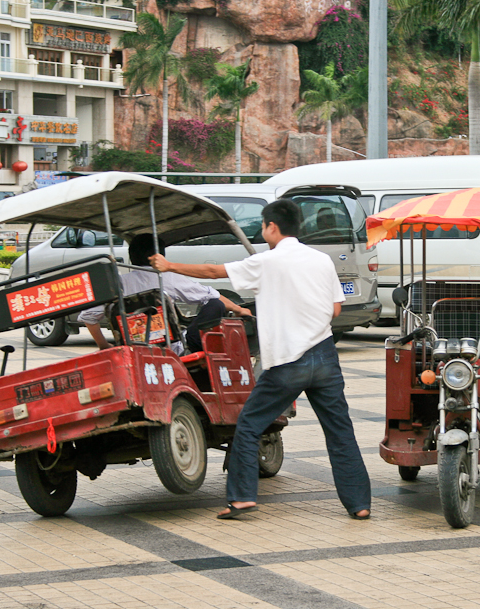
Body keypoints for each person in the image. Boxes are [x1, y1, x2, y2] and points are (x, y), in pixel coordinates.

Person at [150, 199, 371, 521]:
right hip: (325, 357)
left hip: (287, 361)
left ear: (272, 227)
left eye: (264, 226)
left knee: (250, 425)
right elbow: (336, 309)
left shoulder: (267, 262)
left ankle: (241, 498)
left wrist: (169, 267)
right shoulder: (321, 260)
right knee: (340, 431)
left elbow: (214, 272)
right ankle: (359, 504)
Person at [78, 234, 249, 353]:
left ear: (132, 256)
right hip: (170, 347)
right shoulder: (168, 278)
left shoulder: (118, 285)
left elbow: (88, 316)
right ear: (160, 255)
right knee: (216, 305)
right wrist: (239, 309)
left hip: (130, 347)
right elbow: (211, 296)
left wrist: (103, 345)